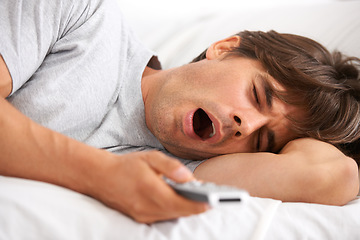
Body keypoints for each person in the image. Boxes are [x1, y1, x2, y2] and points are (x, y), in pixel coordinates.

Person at [0, 0, 359, 224]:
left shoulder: (187, 173)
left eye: (262, 140)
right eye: (257, 94)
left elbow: (334, 174)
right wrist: (100, 174)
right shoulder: (81, 15)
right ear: (223, 48)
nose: (244, 126)